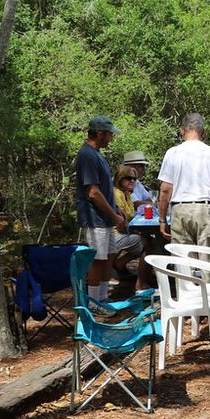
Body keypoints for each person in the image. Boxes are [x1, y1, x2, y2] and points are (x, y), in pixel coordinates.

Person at [156, 113, 210, 250]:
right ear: (203, 132)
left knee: (183, 262)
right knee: (209, 262)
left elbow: (165, 189)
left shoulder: (172, 153)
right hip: (205, 210)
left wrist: (162, 219)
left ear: (182, 130)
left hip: (179, 210)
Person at [75, 115, 125, 316]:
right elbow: (93, 192)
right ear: (100, 134)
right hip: (95, 218)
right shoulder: (87, 155)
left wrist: (116, 209)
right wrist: (114, 215)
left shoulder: (97, 154)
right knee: (97, 258)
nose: (111, 138)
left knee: (108, 256)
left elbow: (104, 189)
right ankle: (94, 302)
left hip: (105, 218)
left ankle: (103, 297)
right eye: (109, 134)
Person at [112, 165, 154, 291]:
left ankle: (120, 264)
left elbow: (129, 218)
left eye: (134, 179)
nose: (132, 181)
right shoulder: (116, 194)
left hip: (123, 232)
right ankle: (141, 283)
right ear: (120, 179)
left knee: (149, 239)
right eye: (128, 178)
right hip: (114, 234)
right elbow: (121, 224)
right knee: (149, 243)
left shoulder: (127, 194)